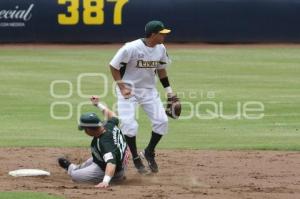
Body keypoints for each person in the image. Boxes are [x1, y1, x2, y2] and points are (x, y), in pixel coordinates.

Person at [109, 20, 176, 174]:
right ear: (153, 34)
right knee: (130, 126)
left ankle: (148, 152)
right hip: (128, 90)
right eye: (162, 33)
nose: (164, 36)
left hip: (148, 90)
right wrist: (122, 86)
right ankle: (135, 158)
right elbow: (113, 66)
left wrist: (169, 91)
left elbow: (161, 70)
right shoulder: (131, 48)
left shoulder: (161, 48)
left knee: (162, 121)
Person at [57, 96, 129, 188]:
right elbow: (113, 116)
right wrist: (98, 105)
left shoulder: (105, 143)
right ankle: (73, 168)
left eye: (84, 129)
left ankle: (113, 179)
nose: (85, 132)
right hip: (115, 161)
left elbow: (111, 163)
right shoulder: (108, 125)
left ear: (89, 129)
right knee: (93, 159)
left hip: (114, 171)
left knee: (75, 176)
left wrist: (105, 181)